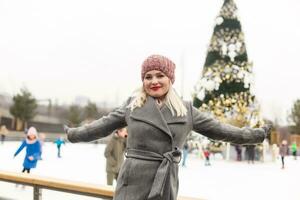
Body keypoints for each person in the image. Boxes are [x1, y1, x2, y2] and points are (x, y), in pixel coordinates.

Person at [65, 54, 271, 200]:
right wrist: (73, 134)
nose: (154, 81)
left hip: (163, 181)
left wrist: (256, 135)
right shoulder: (132, 106)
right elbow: (101, 126)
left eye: (159, 75)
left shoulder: (186, 110)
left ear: (170, 79)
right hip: (132, 181)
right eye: (148, 76)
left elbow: (222, 131)